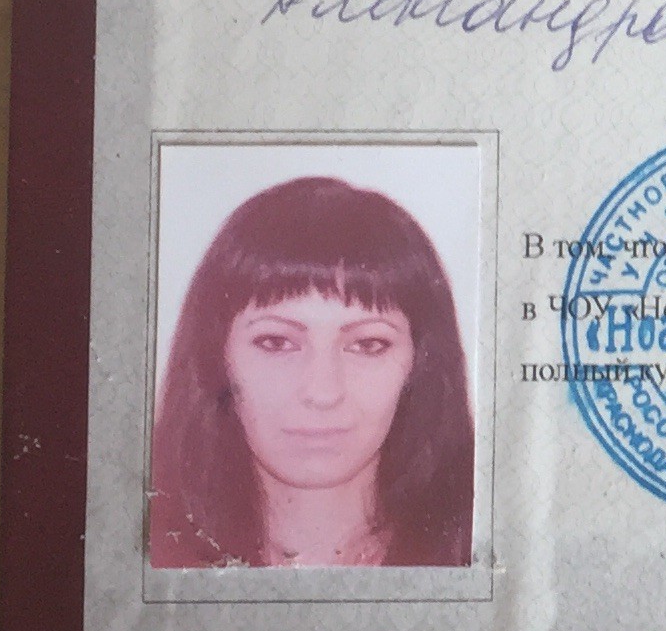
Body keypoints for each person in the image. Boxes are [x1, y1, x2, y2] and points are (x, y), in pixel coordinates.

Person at [148, 174, 475, 568]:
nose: (322, 393)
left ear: (420, 364)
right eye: (276, 342)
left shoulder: (484, 553)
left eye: (368, 345)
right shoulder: (139, 553)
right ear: (216, 357)